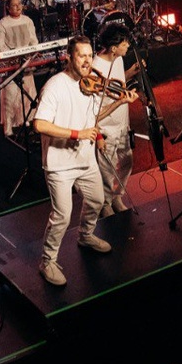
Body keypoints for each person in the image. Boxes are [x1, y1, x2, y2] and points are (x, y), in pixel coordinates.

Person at [33, 36, 135, 286]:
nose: (88, 61)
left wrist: (120, 101)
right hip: (59, 164)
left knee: (97, 200)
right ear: (70, 57)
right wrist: (77, 134)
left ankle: (85, 235)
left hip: (85, 160)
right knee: (62, 215)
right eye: (82, 56)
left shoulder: (89, 84)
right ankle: (48, 261)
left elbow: (95, 117)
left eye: (90, 56)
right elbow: (40, 124)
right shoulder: (55, 86)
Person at [94, 23, 140, 217]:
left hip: (123, 124)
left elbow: (116, 84)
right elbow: (92, 109)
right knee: (107, 169)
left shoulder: (118, 59)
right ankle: (104, 204)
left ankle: (116, 196)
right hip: (107, 128)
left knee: (126, 161)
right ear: (113, 48)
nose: (128, 46)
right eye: (124, 43)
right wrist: (98, 135)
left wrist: (131, 71)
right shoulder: (95, 68)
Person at [0, 0, 40, 138]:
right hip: (11, 64)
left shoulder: (27, 21)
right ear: (8, 7)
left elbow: (33, 40)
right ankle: (8, 127)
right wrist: (13, 54)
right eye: (14, 5)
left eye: (20, 4)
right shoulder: (3, 24)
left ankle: (26, 120)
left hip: (26, 62)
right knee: (10, 96)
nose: (18, 7)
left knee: (28, 92)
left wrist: (32, 51)